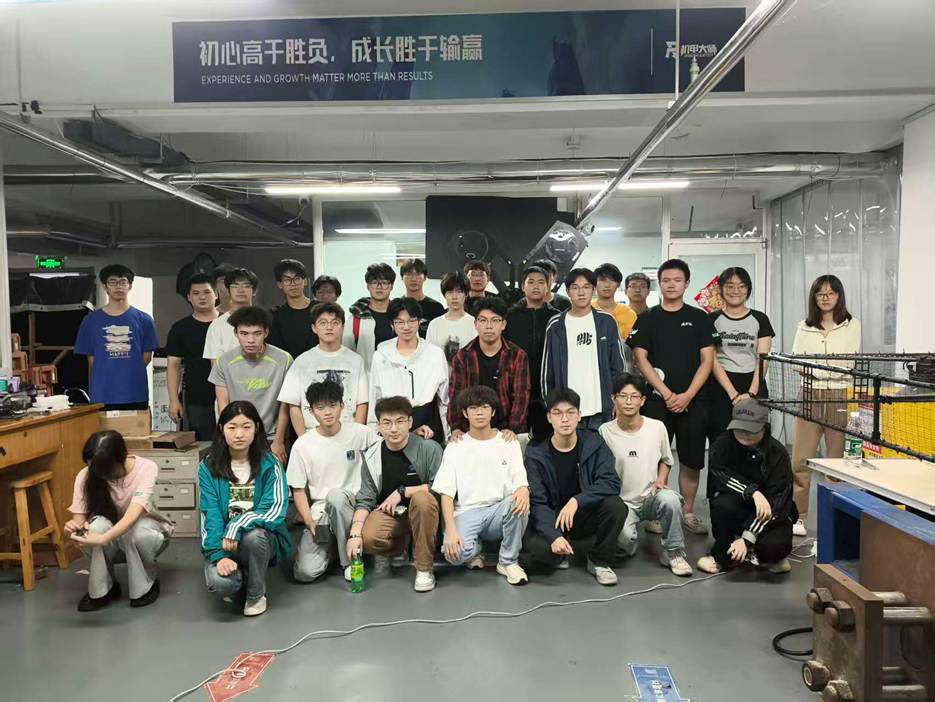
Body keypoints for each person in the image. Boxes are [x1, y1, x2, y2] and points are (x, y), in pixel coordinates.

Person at [628, 259, 718, 535]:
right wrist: (667, 394)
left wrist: (688, 395)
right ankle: (657, 513)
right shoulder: (648, 318)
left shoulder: (700, 318)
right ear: (660, 283)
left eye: (677, 280)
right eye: (666, 280)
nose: (671, 285)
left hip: (694, 401)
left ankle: (687, 512)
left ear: (686, 284)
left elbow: (708, 360)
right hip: (657, 401)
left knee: (691, 460)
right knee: (655, 459)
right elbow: (639, 358)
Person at [525, 388, 627, 585]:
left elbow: (610, 481)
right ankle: (560, 549)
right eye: (558, 413)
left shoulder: (594, 442)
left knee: (615, 506)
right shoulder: (536, 455)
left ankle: (599, 560)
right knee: (539, 553)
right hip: (554, 517)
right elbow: (538, 502)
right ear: (549, 418)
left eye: (570, 412)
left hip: (583, 513)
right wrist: (553, 536)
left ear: (579, 416)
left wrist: (577, 501)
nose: (565, 419)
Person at [200, 401, 292, 616]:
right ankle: (242, 573)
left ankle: (256, 595)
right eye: (232, 427)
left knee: (254, 537)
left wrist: (237, 525)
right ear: (221, 429)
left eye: (246, 426)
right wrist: (219, 555)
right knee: (221, 585)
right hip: (224, 542)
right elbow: (209, 513)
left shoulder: (270, 464)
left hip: (260, 539)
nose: (239, 434)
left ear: (256, 428)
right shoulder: (208, 466)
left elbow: (274, 509)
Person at [432, 386, 531, 585]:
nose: (479, 413)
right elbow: (446, 493)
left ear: (493, 412)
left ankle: (508, 561)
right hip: (467, 512)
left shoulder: (508, 442)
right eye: (473, 408)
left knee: (519, 500)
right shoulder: (456, 447)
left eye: (485, 407)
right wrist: (450, 531)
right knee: (455, 555)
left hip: (498, 511)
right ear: (464, 413)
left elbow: (520, 480)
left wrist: (523, 489)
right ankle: (475, 549)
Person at [65, 430, 173, 611]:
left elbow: (133, 514)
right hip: (111, 540)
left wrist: (102, 538)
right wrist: (74, 530)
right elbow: (79, 521)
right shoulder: (86, 475)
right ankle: (102, 590)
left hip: (146, 533)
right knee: (96, 527)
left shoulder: (146, 468)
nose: (97, 474)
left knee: (135, 531)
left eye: (103, 470)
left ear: (121, 458)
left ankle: (145, 586)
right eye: (93, 468)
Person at [599, 374, 692, 577]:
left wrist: (660, 480)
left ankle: (674, 553)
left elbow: (666, 460)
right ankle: (629, 542)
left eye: (634, 396)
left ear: (642, 400)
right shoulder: (605, 431)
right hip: (622, 503)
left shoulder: (656, 427)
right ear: (613, 399)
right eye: (623, 396)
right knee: (624, 542)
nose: (629, 401)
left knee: (671, 500)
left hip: (651, 497)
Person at [347, 396, 443, 592]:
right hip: (394, 515)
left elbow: (441, 487)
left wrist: (403, 492)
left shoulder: (429, 448)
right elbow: (365, 498)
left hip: (426, 513)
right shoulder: (372, 455)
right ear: (378, 426)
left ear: (410, 422)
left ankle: (424, 568)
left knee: (422, 499)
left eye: (400, 421)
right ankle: (402, 545)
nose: (393, 429)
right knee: (368, 538)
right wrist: (355, 534)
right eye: (387, 422)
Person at [789, 274, 861, 536]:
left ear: (839, 296)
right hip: (809, 395)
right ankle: (798, 517)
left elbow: (848, 363)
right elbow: (796, 362)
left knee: (836, 462)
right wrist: (825, 369)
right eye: (820, 293)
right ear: (814, 298)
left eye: (831, 293)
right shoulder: (804, 326)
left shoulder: (852, 325)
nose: (825, 297)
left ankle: (833, 519)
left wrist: (817, 368)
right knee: (800, 460)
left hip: (839, 395)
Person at [286, 380, 379, 583]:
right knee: (305, 573)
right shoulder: (303, 445)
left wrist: (413, 434)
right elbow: (298, 489)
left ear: (342, 406)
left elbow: (386, 450)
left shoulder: (361, 433)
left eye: (333, 405)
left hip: (356, 506)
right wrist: (309, 520)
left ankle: (349, 562)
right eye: (320, 407)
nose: (327, 412)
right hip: (322, 512)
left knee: (336, 497)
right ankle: (337, 546)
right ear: (311, 411)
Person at [697, 399, 796, 574]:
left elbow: (778, 502)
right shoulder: (722, 445)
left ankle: (759, 553)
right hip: (737, 506)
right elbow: (721, 476)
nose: (744, 434)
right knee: (722, 505)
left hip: (770, 516)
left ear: (764, 427)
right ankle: (722, 554)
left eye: (751, 430)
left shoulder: (778, 454)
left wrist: (748, 538)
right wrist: (752, 492)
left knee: (773, 548)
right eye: (740, 428)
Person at [542, 267, 625, 430]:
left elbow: (618, 366)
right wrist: (552, 405)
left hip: (602, 409)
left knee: (602, 447)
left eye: (586, 287)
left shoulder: (606, 322)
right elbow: (547, 371)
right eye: (575, 287)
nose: (581, 293)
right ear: (568, 291)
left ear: (593, 290)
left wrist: (618, 400)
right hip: (566, 411)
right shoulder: (556, 325)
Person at [208, 306, 292, 463]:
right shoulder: (224, 362)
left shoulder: (283, 360)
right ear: (236, 333)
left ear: (266, 333)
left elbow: (286, 405)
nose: (251, 340)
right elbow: (223, 405)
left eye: (257, 333)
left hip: (271, 436)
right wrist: (229, 437)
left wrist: (279, 440)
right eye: (244, 334)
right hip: (238, 435)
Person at [74, 264, 159, 409]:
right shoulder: (90, 321)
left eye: (123, 282)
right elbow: (91, 361)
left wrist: (127, 371)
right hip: (102, 395)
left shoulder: (144, 320)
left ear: (130, 286)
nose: (118, 287)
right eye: (113, 282)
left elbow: (147, 357)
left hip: (135, 393)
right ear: (105, 287)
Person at [707, 267, 775, 447]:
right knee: (720, 440)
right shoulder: (711, 319)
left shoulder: (760, 319)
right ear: (721, 289)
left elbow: (763, 358)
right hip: (721, 386)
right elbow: (711, 359)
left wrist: (751, 393)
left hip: (754, 383)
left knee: (755, 441)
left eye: (741, 286)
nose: (735, 291)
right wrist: (732, 394)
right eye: (730, 286)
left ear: (748, 289)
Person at [278, 302, 368, 434]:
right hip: (312, 434)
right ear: (314, 328)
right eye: (323, 323)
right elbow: (293, 405)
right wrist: (304, 439)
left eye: (335, 323)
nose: (329, 327)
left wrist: (357, 435)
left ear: (343, 327)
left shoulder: (356, 361)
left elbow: (362, 403)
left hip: (349, 433)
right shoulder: (302, 361)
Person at [369, 298, 450, 443]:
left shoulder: (435, 354)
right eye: (400, 322)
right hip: (392, 425)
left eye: (411, 321)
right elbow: (375, 396)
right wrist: (375, 435)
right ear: (392, 324)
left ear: (419, 322)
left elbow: (444, 400)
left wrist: (448, 437)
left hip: (428, 425)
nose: (406, 327)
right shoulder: (381, 355)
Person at [448, 297, 530, 438]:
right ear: (475, 324)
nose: (489, 326)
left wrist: (512, 429)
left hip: (507, 431)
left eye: (495, 320)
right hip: (471, 429)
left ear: (503, 324)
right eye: (483, 320)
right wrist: (455, 428)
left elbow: (521, 396)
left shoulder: (517, 356)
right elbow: (456, 396)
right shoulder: (462, 357)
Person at [505, 265, 559, 442]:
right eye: (531, 282)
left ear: (548, 286)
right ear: (523, 286)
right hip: (516, 387)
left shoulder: (557, 317)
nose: (536, 286)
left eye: (541, 282)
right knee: (516, 440)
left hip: (547, 389)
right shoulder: (510, 316)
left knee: (546, 440)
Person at [166, 273, 218, 440]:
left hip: (231, 394)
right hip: (197, 398)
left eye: (207, 292)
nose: (202, 297)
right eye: (196, 293)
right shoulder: (180, 328)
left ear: (216, 294)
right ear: (189, 297)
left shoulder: (229, 324)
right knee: (203, 443)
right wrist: (174, 399)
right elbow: (173, 365)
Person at [345, 263, 397, 371]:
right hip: (365, 377)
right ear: (368, 286)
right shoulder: (355, 319)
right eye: (374, 282)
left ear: (391, 286)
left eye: (384, 283)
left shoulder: (400, 316)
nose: (379, 287)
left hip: (397, 376)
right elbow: (346, 354)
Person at [203, 267, 258, 362]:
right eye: (235, 286)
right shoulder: (217, 325)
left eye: (246, 286)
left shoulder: (265, 321)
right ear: (228, 290)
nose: (240, 290)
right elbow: (215, 365)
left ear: (254, 291)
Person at [268, 258, 318, 359]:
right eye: (287, 280)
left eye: (297, 278)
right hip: (288, 366)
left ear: (305, 281)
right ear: (280, 284)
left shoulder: (320, 310)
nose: (293, 283)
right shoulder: (276, 315)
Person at [426, 271, 477, 363]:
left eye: (459, 292)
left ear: (466, 294)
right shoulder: (435, 324)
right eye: (450, 292)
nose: (454, 297)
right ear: (444, 295)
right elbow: (429, 357)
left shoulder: (474, 324)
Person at [400, 258, 446, 336]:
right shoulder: (396, 306)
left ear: (424, 277)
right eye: (409, 274)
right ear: (402, 278)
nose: (413, 279)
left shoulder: (436, 308)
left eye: (418, 274)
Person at [593, 263, 638, 340]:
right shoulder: (586, 311)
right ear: (594, 283)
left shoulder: (628, 314)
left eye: (612, 280)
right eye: (602, 280)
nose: (607, 285)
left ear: (618, 284)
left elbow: (632, 344)